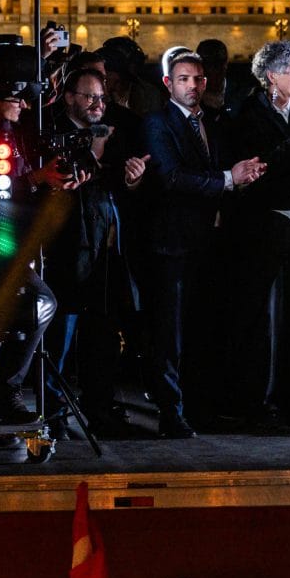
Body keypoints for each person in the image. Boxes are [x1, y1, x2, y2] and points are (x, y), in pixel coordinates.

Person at [141, 45, 266, 437]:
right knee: (171, 336)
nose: (192, 86)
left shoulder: (213, 121)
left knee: (202, 331)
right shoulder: (157, 124)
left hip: (211, 244)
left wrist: (243, 178)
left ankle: (198, 408)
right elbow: (172, 178)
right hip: (173, 245)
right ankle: (171, 413)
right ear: (168, 84)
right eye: (183, 79)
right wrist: (230, 178)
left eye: (197, 79)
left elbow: (222, 174)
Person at [226, 41, 290, 431]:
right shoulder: (246, 114)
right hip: (267, 228)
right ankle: (261, 400)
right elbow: (257, 170)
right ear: (272, 76)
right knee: (264, 321)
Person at [39, 61, 144, 437]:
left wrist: (132, 178)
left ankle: (99, 411)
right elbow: (69, 179)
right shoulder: (53, 135)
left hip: (106, 253)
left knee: (102, 341)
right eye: (89, 97)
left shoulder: (115, 135)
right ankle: (53, 415)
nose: (98, 104)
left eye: (101, 97)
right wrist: (94, 152)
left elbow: (118, 188)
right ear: (69, 98)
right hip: (68, 254)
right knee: (60, 341)